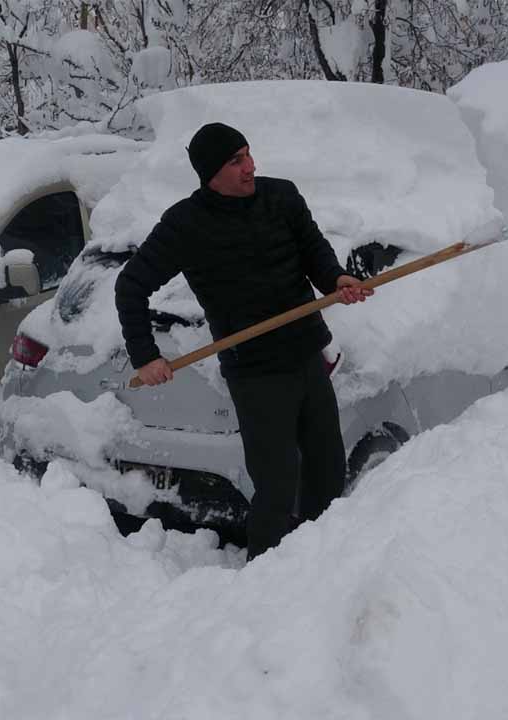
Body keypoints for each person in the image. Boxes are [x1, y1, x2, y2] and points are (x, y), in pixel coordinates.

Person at [115, 122, 372, 560]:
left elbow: (313, 248)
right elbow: (130, 286)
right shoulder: (186, 224)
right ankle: (264, 581)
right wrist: (145, 356)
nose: (250, 167)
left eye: (249, 154)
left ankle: (321, 563)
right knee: (276, 484)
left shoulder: (282, 196)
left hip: (307, 353)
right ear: (210, 172)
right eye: (236, 161)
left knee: (328, 470)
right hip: (255, 372)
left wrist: (336, 277)